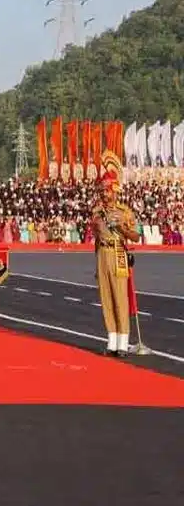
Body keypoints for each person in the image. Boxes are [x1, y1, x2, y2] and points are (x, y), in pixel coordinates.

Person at [91, 150, 141, 357]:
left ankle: (123, 342)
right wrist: (96, 264)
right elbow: (96, 238)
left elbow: (136, 236)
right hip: (102, 254)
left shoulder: (124, 212)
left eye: (107, 190)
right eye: (102, 191)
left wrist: (120, 227)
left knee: (121, 298)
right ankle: (111, 341)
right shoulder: (96, 213)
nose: (104, 194)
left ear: (115, 191)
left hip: (118, 252)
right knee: (106, 298)